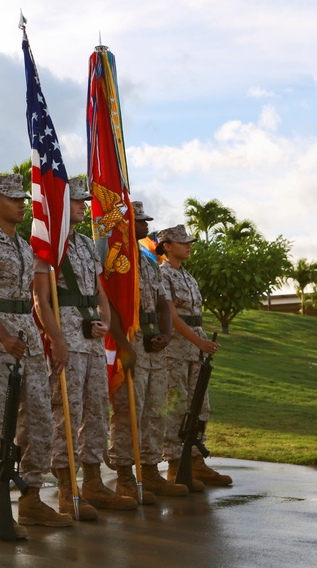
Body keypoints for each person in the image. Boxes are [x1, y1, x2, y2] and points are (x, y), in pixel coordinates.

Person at [0, 173, 71, 539]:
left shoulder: (27, 247)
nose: (22, 204)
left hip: (28, 341)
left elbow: (37, 298)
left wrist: (50, 338)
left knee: (40, 422)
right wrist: (5, 336)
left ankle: (32, 500)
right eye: (12, 198)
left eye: (22, 198)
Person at [34, 176, 137, 522]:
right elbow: (41, 299)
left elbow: (99, 291)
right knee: (68, 410)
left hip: (92, 339)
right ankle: (67, 487)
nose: (83, 207)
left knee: (96, 408)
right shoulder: (50, 246)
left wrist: (106, 325)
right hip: (68, 339)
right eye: (78, 202)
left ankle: (92, 480)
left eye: (83, 201)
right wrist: (56, 339)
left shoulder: (83, 245)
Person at [107, 202, 188, 503]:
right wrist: (123, 344)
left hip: (154, 342)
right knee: (130, 409)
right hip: (131, 340)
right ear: (127, 223)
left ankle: (151, 470)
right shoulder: (117, 260)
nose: (145, 226)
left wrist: (166, 334)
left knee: (156, 409)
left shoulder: (149, 261)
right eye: (140, 221)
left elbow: (163, 302)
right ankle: (125, 475)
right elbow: (113, 305)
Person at [157, 224, 233, 488]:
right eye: (182, 242)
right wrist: (199, 341)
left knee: (199, 405)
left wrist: (200, 344)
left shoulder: (189, 277)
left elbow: (194, 315)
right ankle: (176, 464)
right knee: (176, 408)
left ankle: (196, 460)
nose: (188, 245)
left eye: (189, 241)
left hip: (195, 353)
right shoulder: (162, 275)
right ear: (167, 246)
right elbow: (172, 316)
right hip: (175, 351)